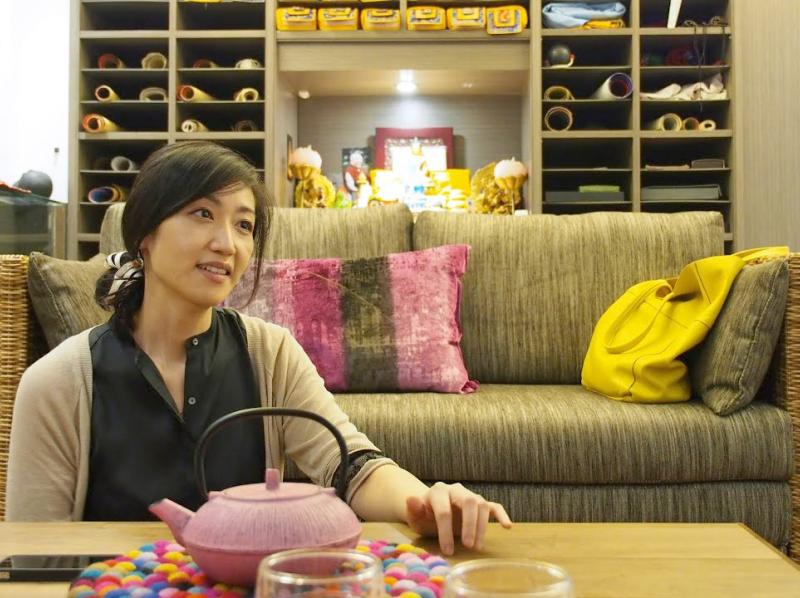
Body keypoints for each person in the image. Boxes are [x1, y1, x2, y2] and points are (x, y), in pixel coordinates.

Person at [6, 140, 511, 555]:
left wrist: (424, 502)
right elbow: (35, 552)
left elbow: (350, 464)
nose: (227, 243)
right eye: (202, 213)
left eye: (244, 225)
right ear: (145, 235)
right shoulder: (60, 381)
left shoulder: (269, 352)